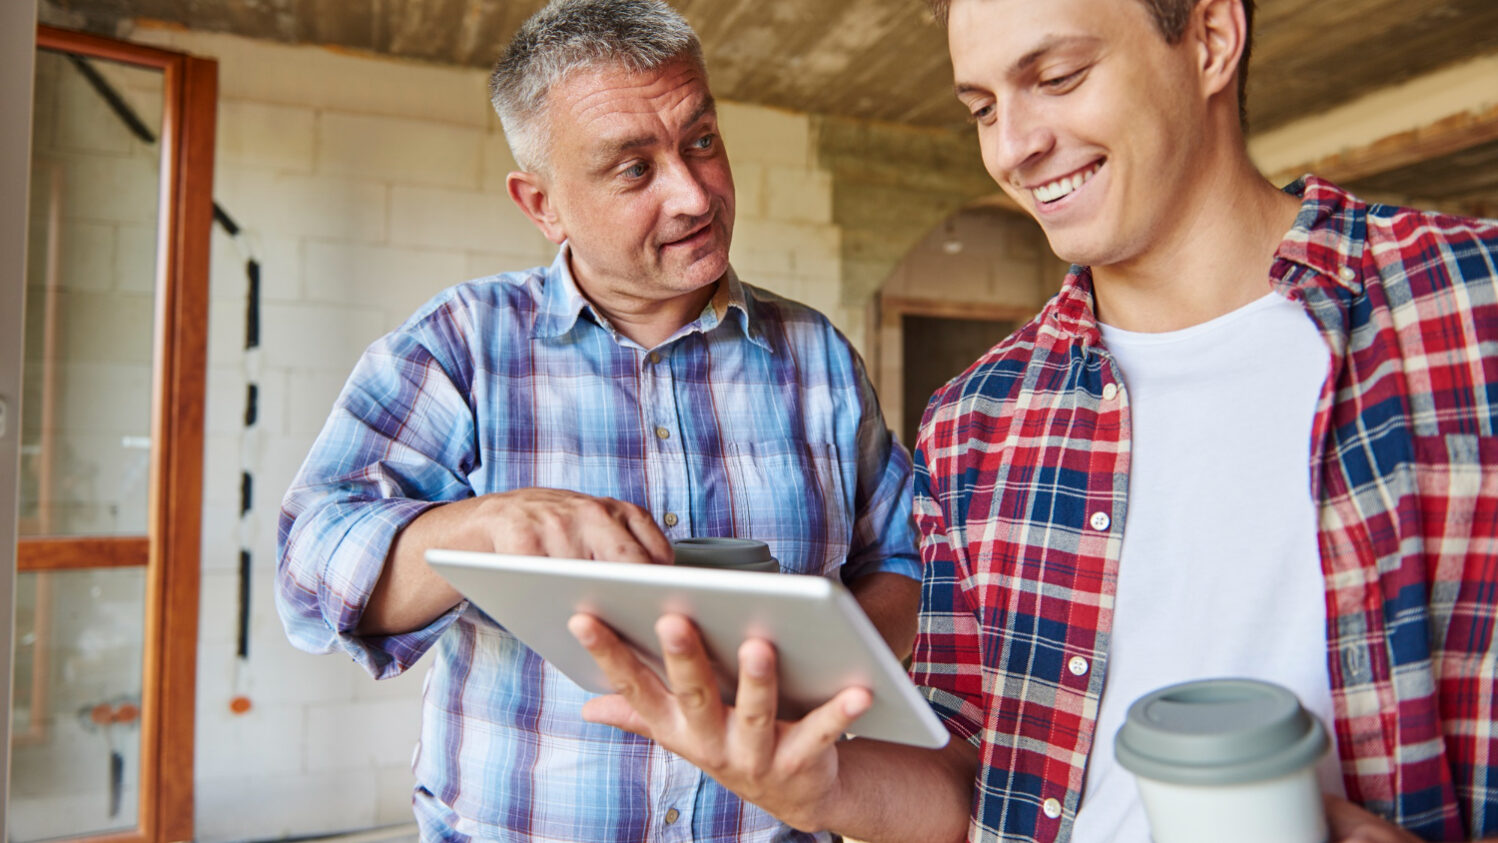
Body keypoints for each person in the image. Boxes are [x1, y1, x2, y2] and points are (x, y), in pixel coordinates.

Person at [568, 0, 1498, 841]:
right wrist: (815, 788)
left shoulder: (1468, 309)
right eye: (980, 108)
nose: (1012, 146)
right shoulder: (979, 417)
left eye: (1056, 78)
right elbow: (973, 766)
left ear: (1211, 39)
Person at [273, 0, 921, 840]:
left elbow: (905, 557)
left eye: (702, 141)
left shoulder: (819, 357)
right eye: (633, 168)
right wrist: (478, 527)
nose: (694, 194)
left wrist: (814, 680)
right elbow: (310, 569)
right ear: (542, 204)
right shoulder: (461, 344)